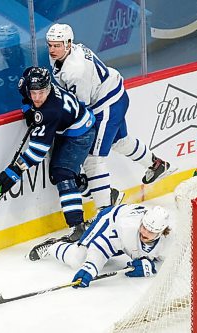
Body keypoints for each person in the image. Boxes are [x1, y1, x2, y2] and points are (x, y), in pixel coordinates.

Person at [45, 23, 175, 210]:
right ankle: (156, 164)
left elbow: (80, 110)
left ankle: (105, 210)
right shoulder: (70, 51)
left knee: (92, 158)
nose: (52, 50)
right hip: (114, 95)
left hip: (106, 106)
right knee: (119, 141)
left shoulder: (75, 71)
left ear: (68, 43)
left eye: (57, 45)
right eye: (50, 45)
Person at [0, 67, 96, 242]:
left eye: (41, 93)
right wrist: (28, 110)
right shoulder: (28, 83)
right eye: (33, 93)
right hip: (66, 127)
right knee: (62, 174)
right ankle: (102, 194)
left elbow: (37, 152)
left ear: (49, 88)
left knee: (62, 174)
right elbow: (27, 91)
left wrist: (14, 171)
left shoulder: (50, 111)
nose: (36, 98)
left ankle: (77, 226)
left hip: (81, 132)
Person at [28, 204, 171, 288]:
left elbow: (176, 262)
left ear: (161, 232)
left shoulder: (169, 241)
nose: (144, 232)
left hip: (122, 234)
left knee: (112, 254)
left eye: (151, 231)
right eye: (144, 227)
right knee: (78, 258)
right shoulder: (126, 228)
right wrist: (91, 266)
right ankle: (53, 245)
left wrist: (151, 266)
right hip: (109, 220)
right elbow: (102, 246)